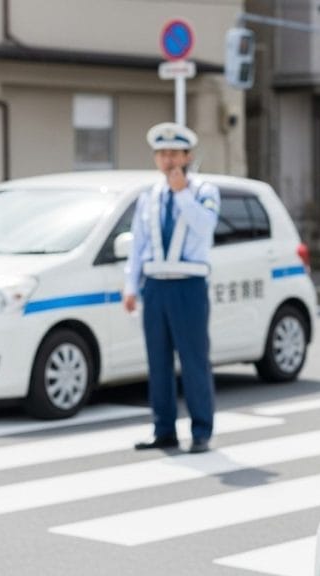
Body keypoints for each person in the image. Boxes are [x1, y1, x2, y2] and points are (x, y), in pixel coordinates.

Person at [124, 121, 220, 455]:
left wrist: (181, 193)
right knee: (158, 361)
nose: (168, 160)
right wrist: (130, 286)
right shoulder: (148, 196)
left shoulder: (203, 191)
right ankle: (163, 429)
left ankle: (201, 430)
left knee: (193, 360)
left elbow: (206, 225)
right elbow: (138, 245)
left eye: (174, 153)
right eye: (162, 154)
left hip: (189, 285)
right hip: (155, 286)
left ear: (187, 156)